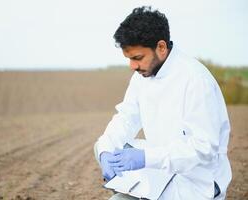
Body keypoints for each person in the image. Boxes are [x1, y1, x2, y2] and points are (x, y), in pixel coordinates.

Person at [93, 6, 232, 200]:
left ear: (161, 47)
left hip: (197, 183)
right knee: (107, 161)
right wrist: (105, 152)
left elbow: (203, 149)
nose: (132, 66)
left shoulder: (195, 80)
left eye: (137, 58)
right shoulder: (142, 76)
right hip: (160, 174)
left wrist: (145, 158)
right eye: (129, 59)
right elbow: (126, 118)